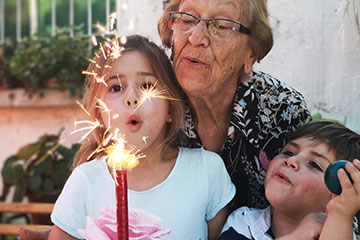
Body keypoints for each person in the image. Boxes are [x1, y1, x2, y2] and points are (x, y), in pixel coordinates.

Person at [48, 35, 235, 240]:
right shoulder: (85, 182)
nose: (132, 98)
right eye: (116, 87)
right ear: (99, 112)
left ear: (170, 108)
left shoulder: (207, 172)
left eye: (146, 86)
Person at [158, 0, 312, 211]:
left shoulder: (282, 109)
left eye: (221, 25)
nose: (195, 38)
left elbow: (316, 207)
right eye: (187, 19)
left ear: (250, 53)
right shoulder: (148, 101)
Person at [219, 120, 360, 239]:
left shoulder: (339, 233)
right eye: (288, 152)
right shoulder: (244, 222)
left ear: (337, 192)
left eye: (313, 164)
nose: (291, 160)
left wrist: (340, 213)